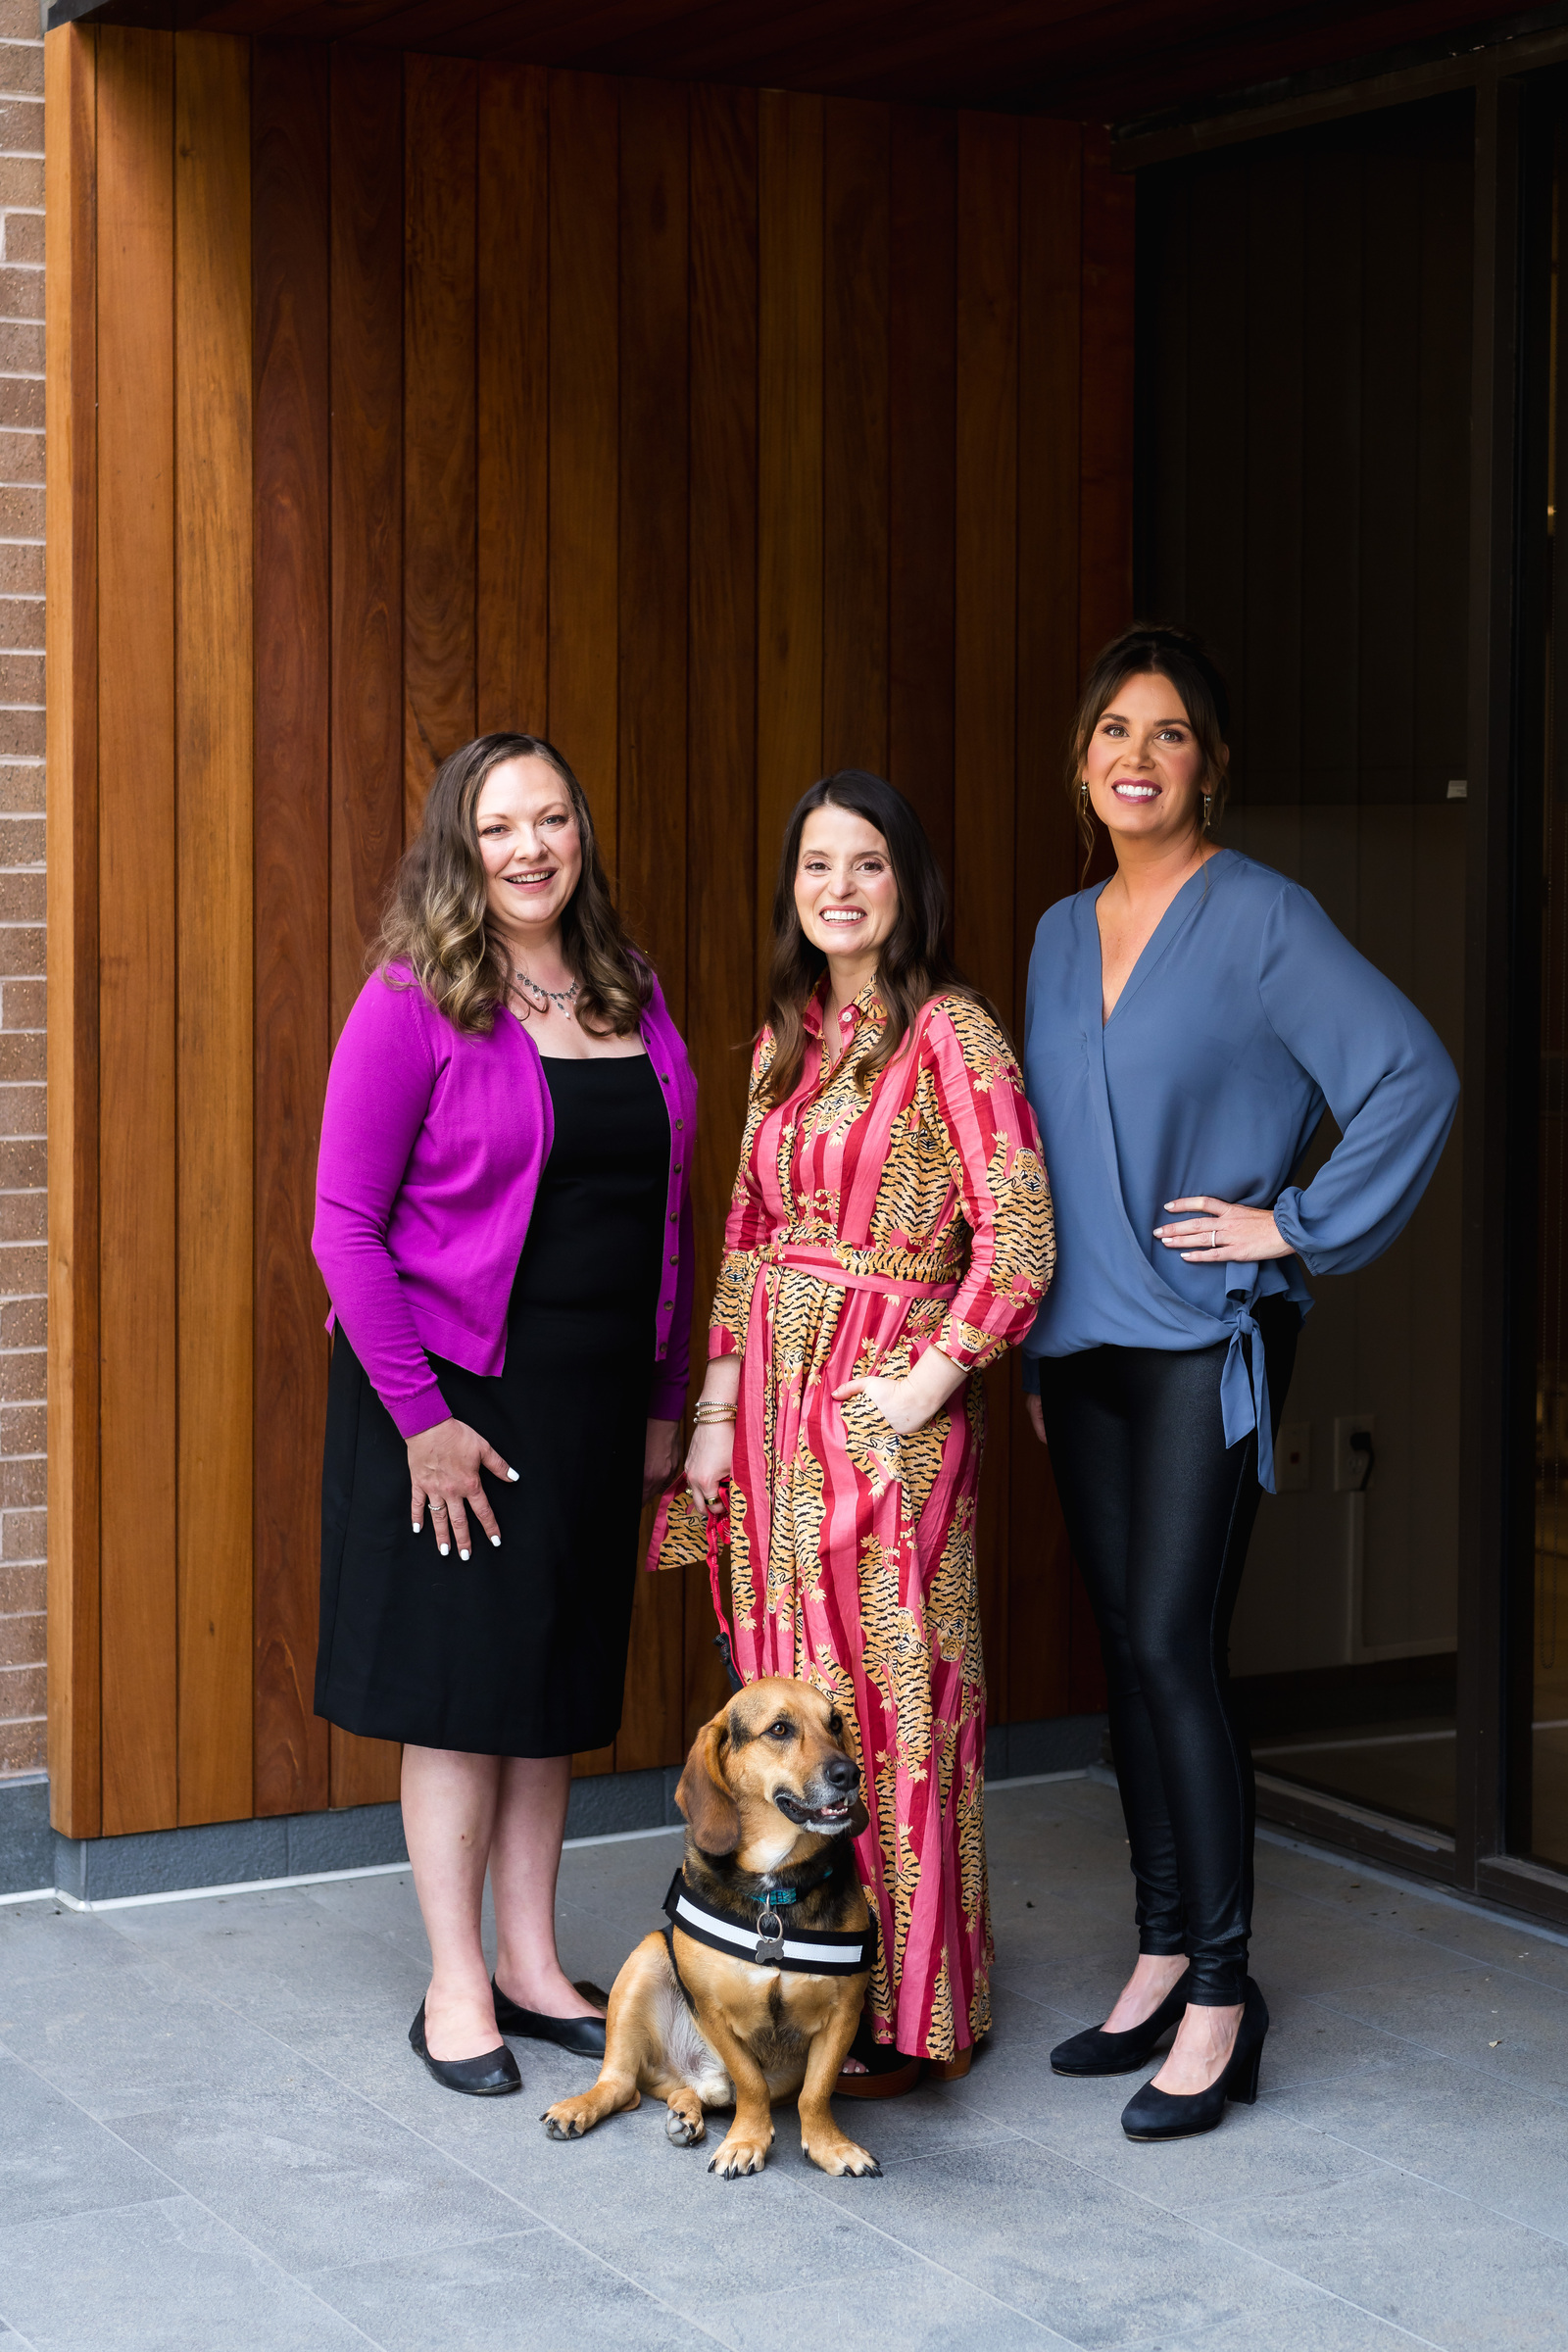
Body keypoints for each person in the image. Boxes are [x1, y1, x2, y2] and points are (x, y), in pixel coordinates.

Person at [1021, 626, 1459, 2140]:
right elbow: (1042, 1153)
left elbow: (1412, 1073)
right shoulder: (1056, 933)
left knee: (1170, 1644)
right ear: (1084, 760)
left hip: (1206, 1338)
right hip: (1079, 1347)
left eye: (1170, 733)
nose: (1137, 757)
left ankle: (1222, 1994)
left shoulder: (1267, 918)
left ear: (1210, 763)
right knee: (1128, 1653)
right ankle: (1159, 1951)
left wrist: (1298, 1223)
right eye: (1114, 730)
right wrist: (1032, 1340)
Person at [313, 732, 696, 2096]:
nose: (530, 848)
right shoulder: (413, 1000)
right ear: (459, 851)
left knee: (547, 1694)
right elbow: (344, 1229)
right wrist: (421, 1422)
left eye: (551, 820)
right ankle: (455, 1985)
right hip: (454, 1403)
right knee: (461, 1698)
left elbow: (671, 1209)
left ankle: (533, 1965)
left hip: (591, 1402)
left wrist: (666, 1398)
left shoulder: (629, 986)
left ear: (581, 832)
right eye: (498, 828)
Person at [679, 770, 1054, 2091]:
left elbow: (1019, 1236)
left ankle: (910, 2010)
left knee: (897, 1708)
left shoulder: (953, 1032)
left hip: (887, 1423)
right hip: (772, 1433)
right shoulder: (782, 1042)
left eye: (868, 864)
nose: (839, 889)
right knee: (787, 1713)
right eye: (817, 865)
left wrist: (924, 1385)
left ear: (910, 883)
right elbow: (743, 1238)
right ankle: (797, 1999)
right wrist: (716, 1414)